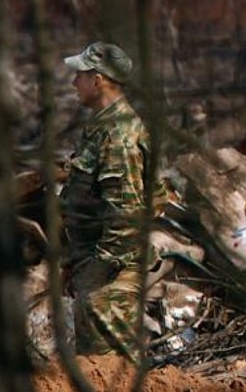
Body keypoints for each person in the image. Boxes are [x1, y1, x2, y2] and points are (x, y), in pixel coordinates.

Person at [60, 41, 156, 361]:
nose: (75, 83)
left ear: (98, 80)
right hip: (97, 271)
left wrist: (96, 270)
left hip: (112, 280)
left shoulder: (118, 135)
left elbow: (126, 215)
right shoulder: (103, 127)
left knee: (113, 371)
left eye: (80, 75)